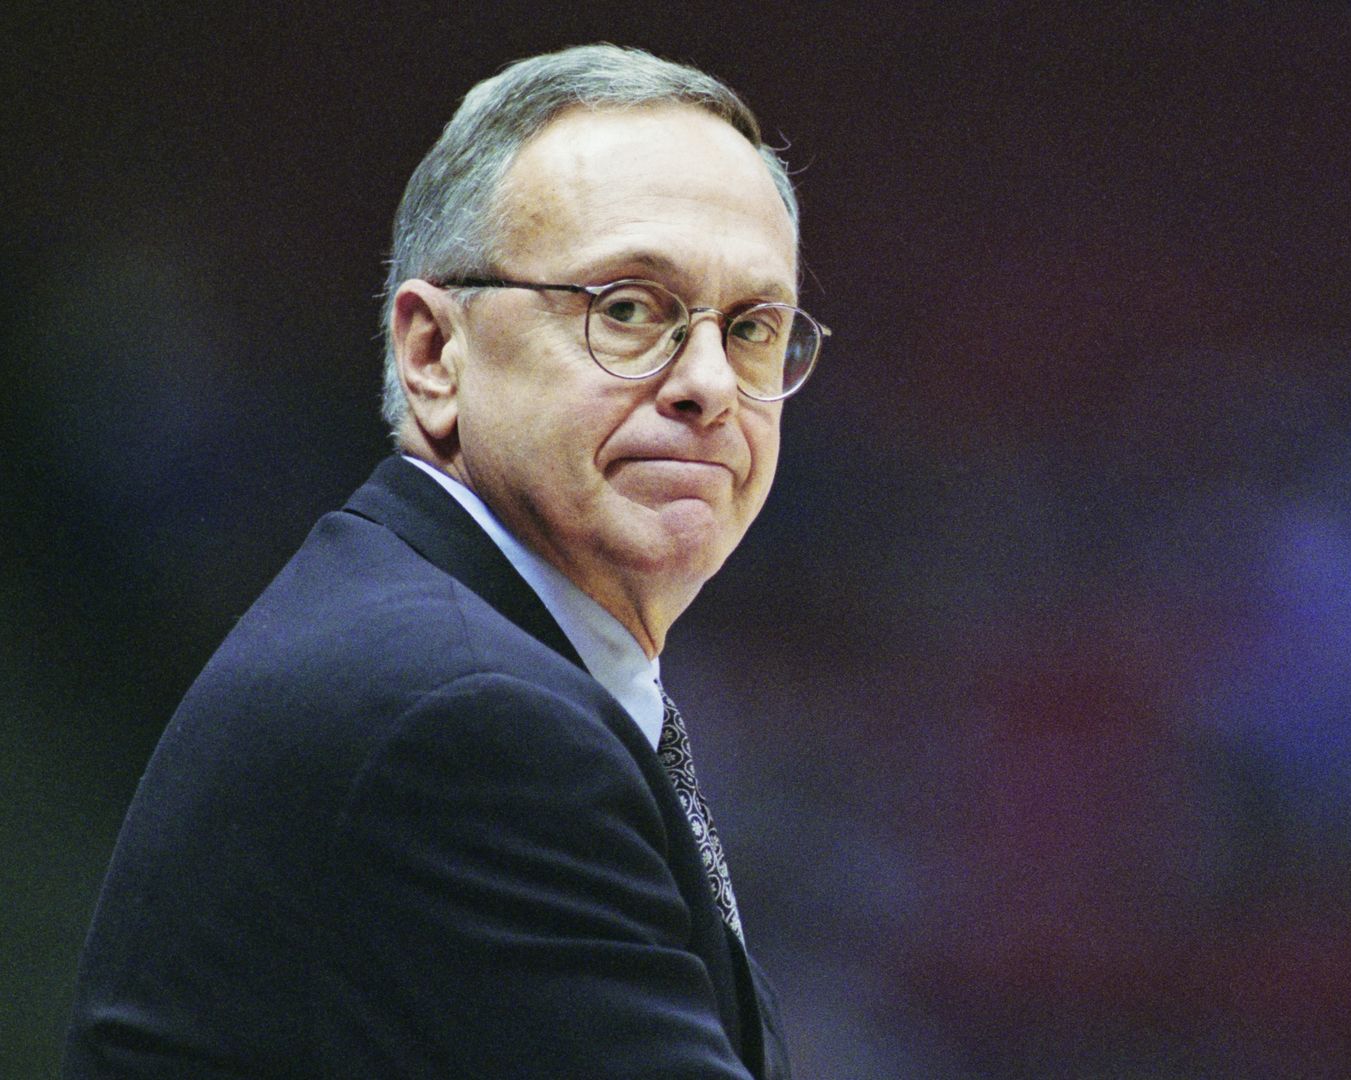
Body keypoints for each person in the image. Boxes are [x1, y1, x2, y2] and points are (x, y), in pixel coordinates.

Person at [64, 44, 824, 1079]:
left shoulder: (432, 643)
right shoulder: (464, 724)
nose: (708, 384)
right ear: (433, 354)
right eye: (630, 309)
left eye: (751, 327)